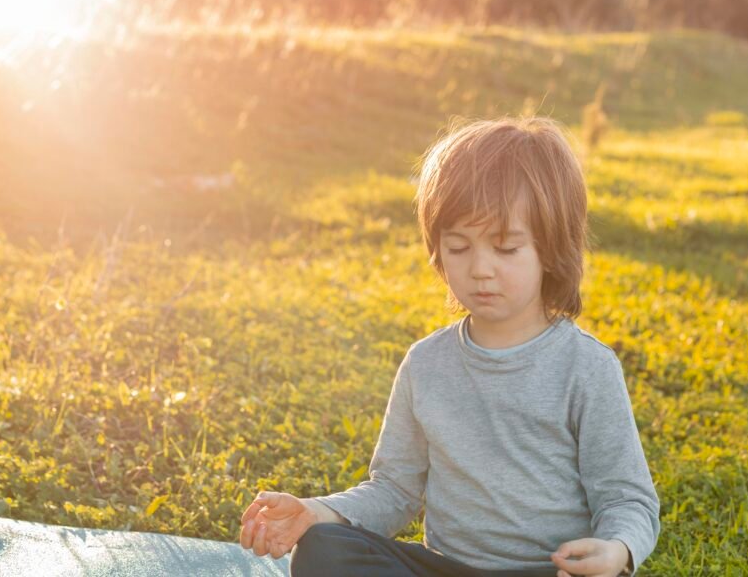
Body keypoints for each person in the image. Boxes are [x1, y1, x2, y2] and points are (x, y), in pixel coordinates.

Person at [239, 116, 661, 576]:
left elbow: (627, 498)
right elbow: (394, 492)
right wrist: (314, 512)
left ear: (552, 249)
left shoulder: (586, 367)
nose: (480, 269)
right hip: (447, 570)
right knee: (325, 549)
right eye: (459, 247)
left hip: (548, 572)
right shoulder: (426, 363)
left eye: (505, 249)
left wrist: (616, 549)